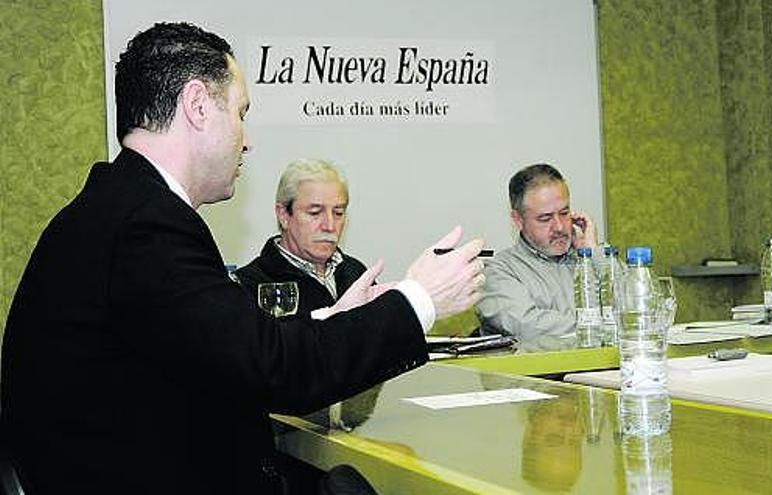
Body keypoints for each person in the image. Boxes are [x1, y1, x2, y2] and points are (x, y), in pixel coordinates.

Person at [0, 22, 484, 495]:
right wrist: (419, 298)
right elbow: (274, 372)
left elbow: (226, 346)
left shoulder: (117, 209)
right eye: (241, 112)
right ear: (196, 105)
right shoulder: (146, 225)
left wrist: (332, 318)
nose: (246, 139)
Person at [476, 163, 596, 350]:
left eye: (564, 213)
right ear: (518, 220)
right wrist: (602, 327)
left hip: (604, 375)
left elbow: (642, 312)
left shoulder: (590, 259)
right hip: (539, 377)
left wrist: (593, 255)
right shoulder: (497, 272)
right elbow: (527, 325)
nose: (559, 226)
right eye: (545, 218)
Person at [235, 159, 366, 312]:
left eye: (338, 213)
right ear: (283, 215)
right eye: (315, 213)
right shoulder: (249, 286)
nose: (330, 226)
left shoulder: (356, 273)